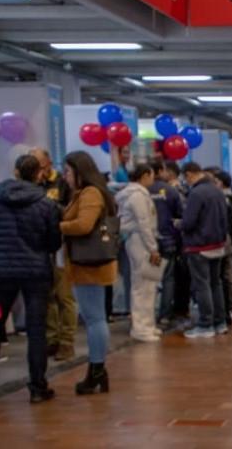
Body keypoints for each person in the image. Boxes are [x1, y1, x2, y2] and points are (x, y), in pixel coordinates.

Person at [0, 154, 62, 407]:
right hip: (36, 272)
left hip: (0, 270)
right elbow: (54, 241)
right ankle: (38, 387)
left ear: (16, 172)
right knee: (36, 330)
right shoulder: (45, 203)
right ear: (39, 174)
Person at [60, 151, 118, 396]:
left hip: (90, 265)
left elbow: (84, 225)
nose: (65, 177)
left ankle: (96, 370)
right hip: (89, 264)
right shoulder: (89, 192)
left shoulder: (90, 193)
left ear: (79, 172)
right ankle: (97, 371)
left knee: (94, 319)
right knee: (95, 318)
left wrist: (58, 225)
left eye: (67, 172)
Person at [30, 149, 76, 361]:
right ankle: (51, 339)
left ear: (48, 162)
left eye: (41, 165)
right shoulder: (32, 185)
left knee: (64, 296)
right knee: (46, 296)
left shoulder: (62, 182)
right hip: (40, 247)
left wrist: (50, 209)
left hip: (61, 245)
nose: (39, 170)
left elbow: (70, 210)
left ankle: (67, 341)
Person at [180, 162, 229, 339]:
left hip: (199, 245)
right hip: (218, 244)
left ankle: (205, 324)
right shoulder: (217, 190)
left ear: (189, 174)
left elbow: (189, 221)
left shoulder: (196, 193)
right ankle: (220, 322)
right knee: (216, 284)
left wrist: (179, 224)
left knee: (202, 286)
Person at [116, 165, 162, 342]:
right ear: (144, 175)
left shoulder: (140, 194)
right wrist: (153, 248)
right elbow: (144, 223)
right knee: (142, 286)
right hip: (140, 242)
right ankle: (140, 328)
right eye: (152, 175)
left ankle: (148, 324)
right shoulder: (136, 196)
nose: (153, 179)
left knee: (149, 285)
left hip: (143, 241)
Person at [149, 160, 185, 330]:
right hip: (168, 239)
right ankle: (164, 316)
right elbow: (180, 214)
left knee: (148, 279)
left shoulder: (143, 190)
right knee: (168, 278)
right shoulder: (171, 190)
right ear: (161, 170)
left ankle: (147, 315)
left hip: (148, 241)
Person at [210, 169, 232, 325]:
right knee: (227, 276)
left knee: (224, 276)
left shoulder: (224, 199)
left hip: (223, 241)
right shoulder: (231, 197)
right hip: (227, 240)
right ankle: (230, 308)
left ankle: (228, 309)